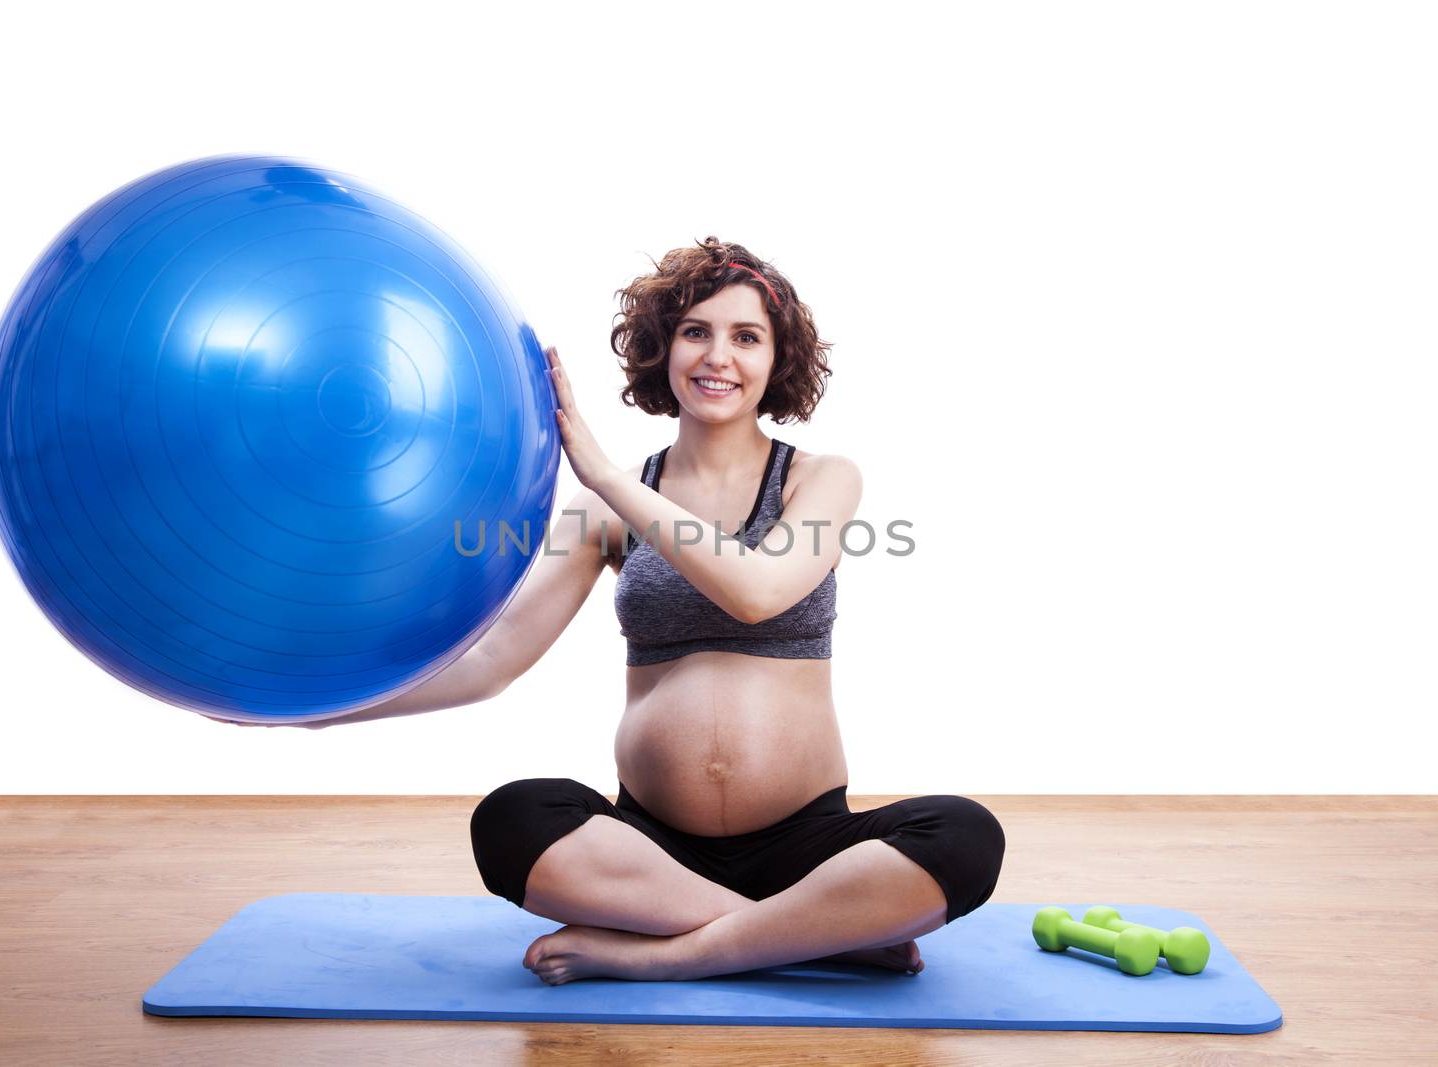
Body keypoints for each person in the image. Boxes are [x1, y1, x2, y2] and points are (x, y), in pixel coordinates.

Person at [234, 237, 1005, 985]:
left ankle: (670, 951)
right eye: (696, 332)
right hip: (650, 853)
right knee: (512, 818)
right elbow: (493, 659)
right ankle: (819, 936)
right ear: (662, 349)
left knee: (965, 836)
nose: (718, 357)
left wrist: (605, 475)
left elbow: (759, 589)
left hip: (810, 839)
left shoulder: (822, 479)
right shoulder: (604, 509)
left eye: (746, 336)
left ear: (777, 361)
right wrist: (322, 709)